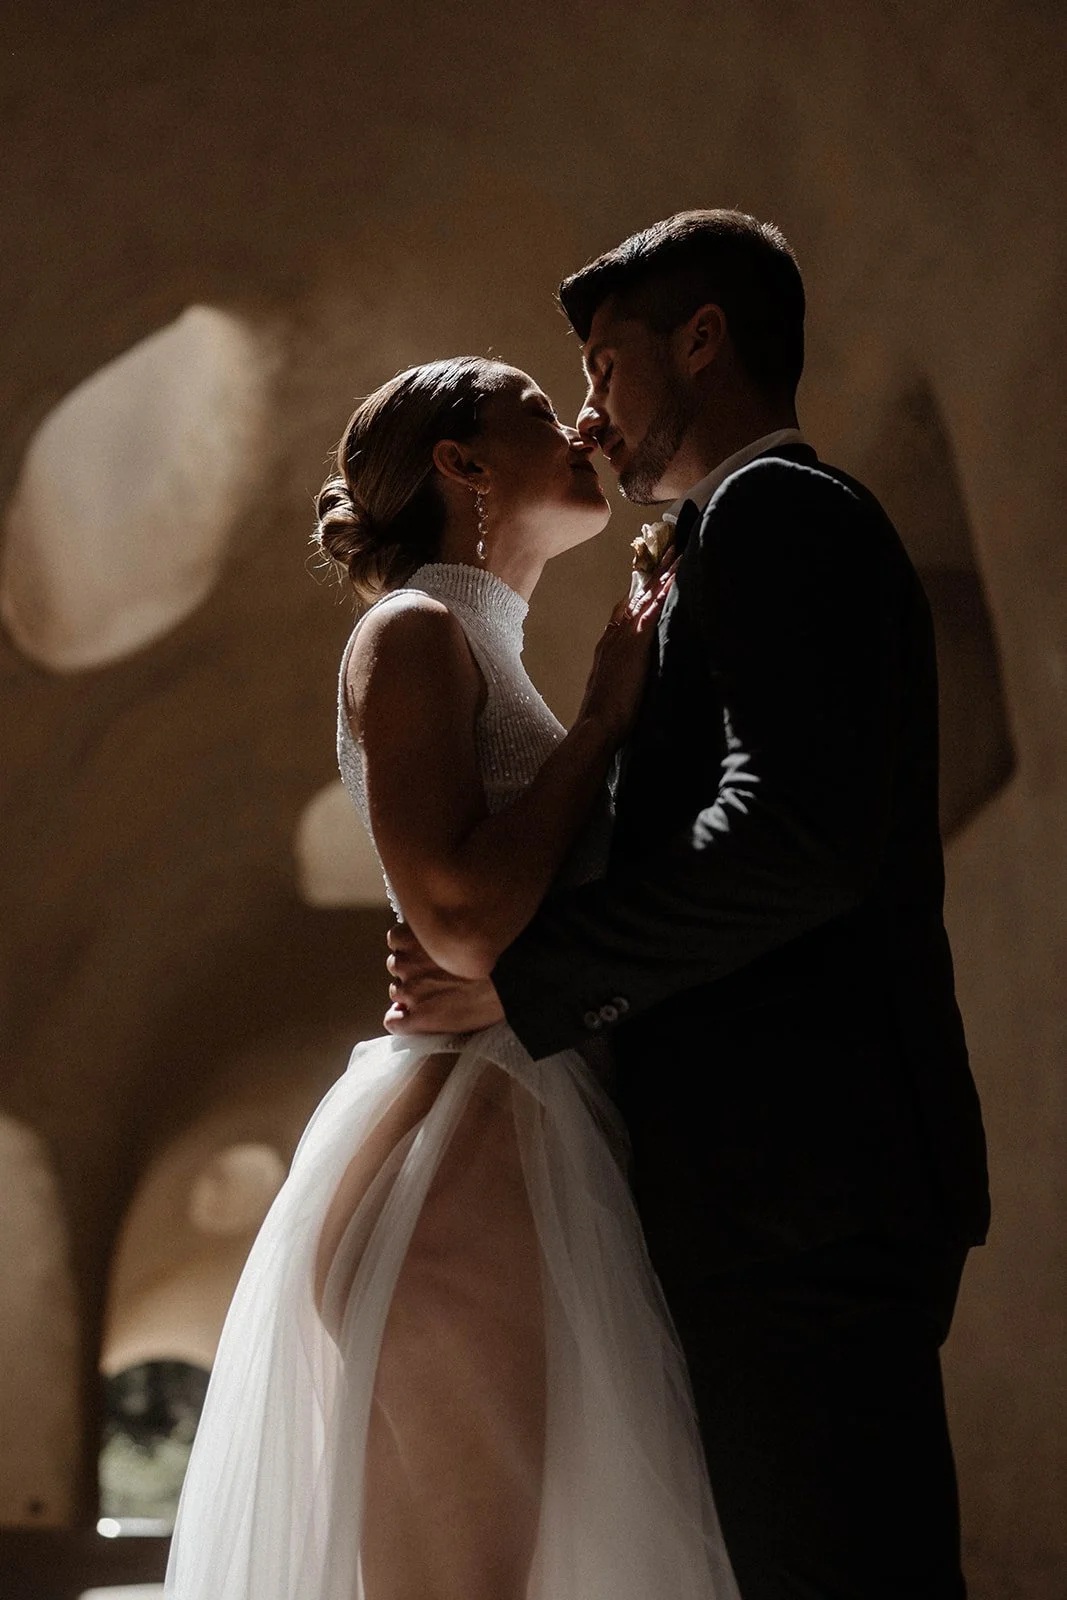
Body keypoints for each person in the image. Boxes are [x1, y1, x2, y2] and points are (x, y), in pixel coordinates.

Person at [386, 211, 992, 1598]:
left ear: (701, 340)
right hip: (775, 1192)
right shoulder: (726, 536)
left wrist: (527, 984)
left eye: (601, 364)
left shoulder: (777, 513)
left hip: (801, 1189)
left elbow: (789, 838)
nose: (590, 413)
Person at [164, 356, 741, 1600]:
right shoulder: (414, 630)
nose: (582, 421)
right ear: (460, 465)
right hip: (460, 1177)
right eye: (538, 413)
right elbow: (462, 916)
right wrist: (597, 728)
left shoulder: (485, 645)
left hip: (494, 1151)